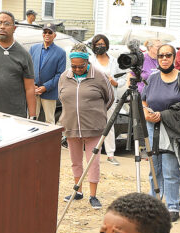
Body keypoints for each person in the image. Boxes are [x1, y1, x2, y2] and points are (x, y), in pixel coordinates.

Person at [142, 42, 180, 222]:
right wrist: (147, 114)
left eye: (168, 55)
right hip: (153, 127)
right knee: (154, 168)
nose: (164, 59)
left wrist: (164, 114)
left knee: (170, 168)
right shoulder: (152, 77)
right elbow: (144, 102)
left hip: (173, 127)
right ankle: (153, 203)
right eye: (160, 56)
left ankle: (172, 206)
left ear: (174, 57)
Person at [59, 44, 114, 209]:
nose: (76, 69)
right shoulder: (64, 76)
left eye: (80, 66)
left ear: (87, 62)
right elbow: (61, 96)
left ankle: (93, 195)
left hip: (94, 127)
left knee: (93, 161)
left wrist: (96, 113)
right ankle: (78, 191)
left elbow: (109, 98)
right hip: (71, 126)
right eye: (73, 66)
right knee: (75, 161)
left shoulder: (99, 76)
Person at [89, 33, 122, 166]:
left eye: (102, 44)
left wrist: (114, 82)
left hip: (110, 98)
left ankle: (110, 154)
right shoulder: (91, 60)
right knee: (94, 125)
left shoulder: (114, 61)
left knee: (109, 126)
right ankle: (94, 153)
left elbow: (123, 77)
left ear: (107, 45)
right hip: (94, 98)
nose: (100, 47)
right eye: (97, 45)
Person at [30, 23, 67, 123]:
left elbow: (60, 74)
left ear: (54, 35)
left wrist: (45, 87)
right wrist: (32, 85)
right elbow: (28, 69)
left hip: (50, 92)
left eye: (50, 32)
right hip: (34, 91)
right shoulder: (34, 48)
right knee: (32, 119)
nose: (47, 34)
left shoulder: (61, 53)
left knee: (49, 121)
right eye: (45, 32)